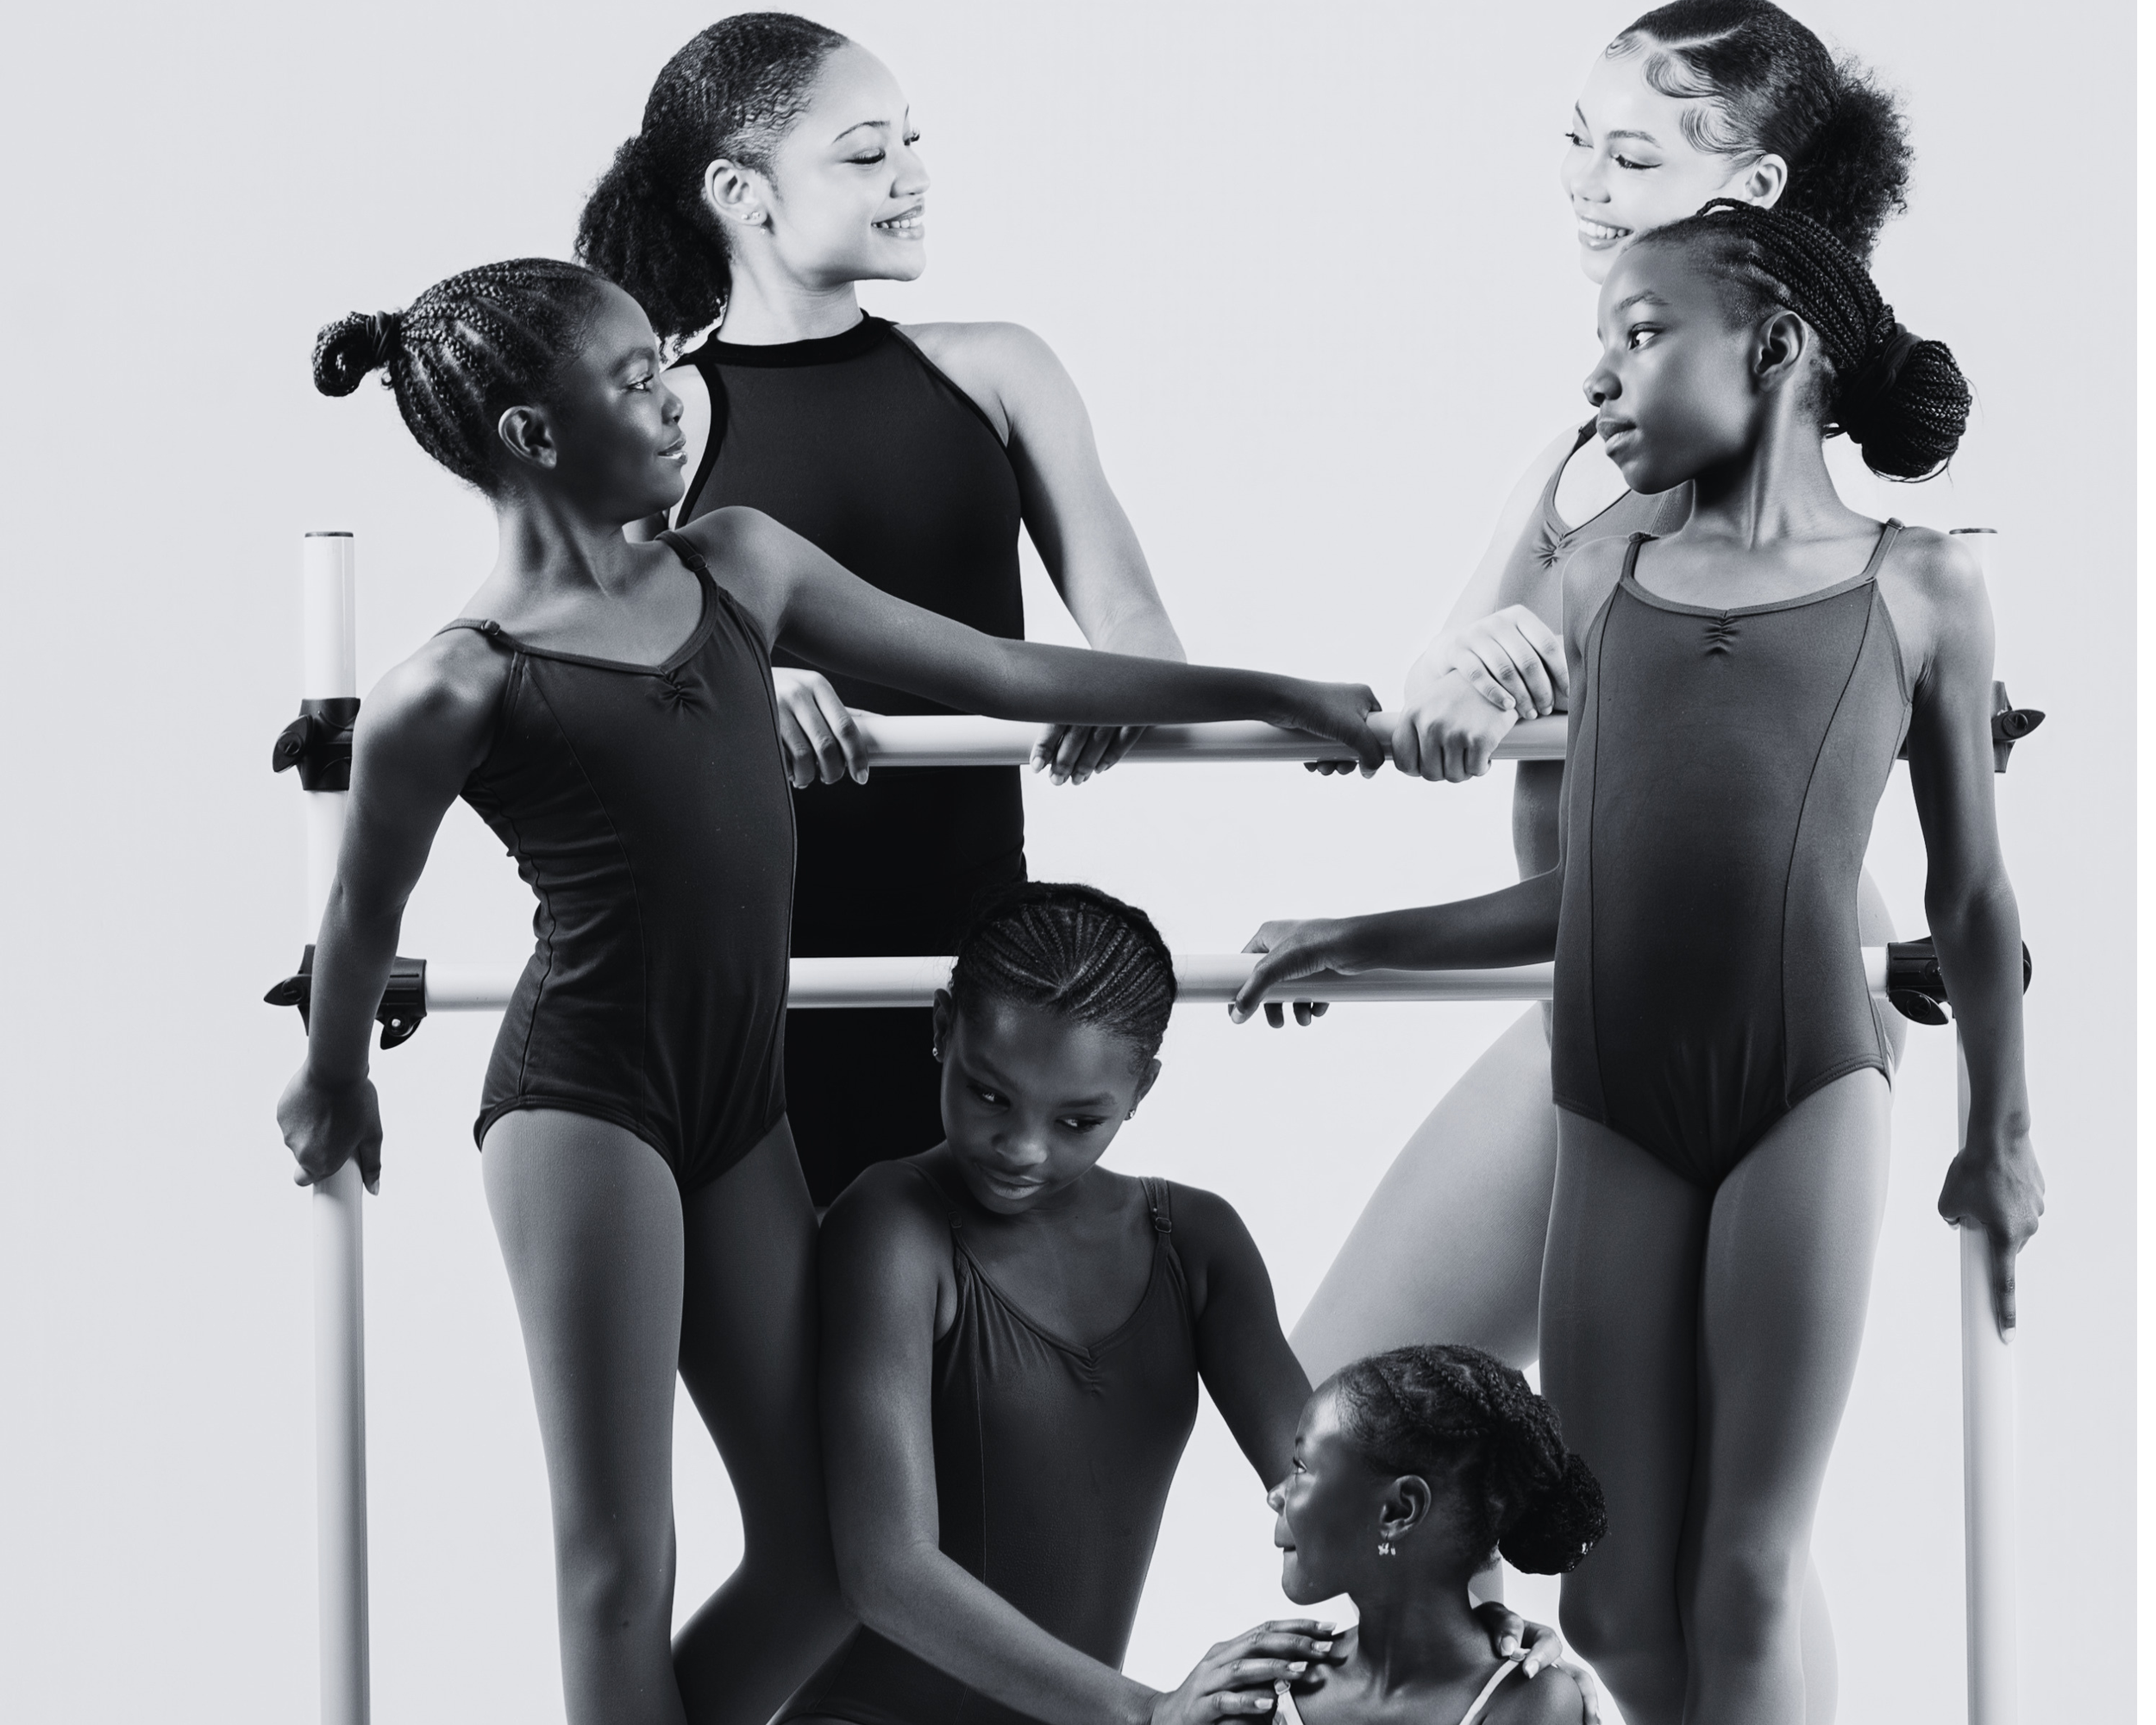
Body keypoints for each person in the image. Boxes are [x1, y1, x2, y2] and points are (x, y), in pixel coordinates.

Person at [276, 259, 1387, 1725]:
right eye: (629, 383)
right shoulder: (460, 682)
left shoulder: (739, 565)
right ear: (533, 438)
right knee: (624, 1552)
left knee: (825, 1547)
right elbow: (363, 905)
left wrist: (1269, 690)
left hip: (742, 1102)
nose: (675, 402)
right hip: (585, 1102)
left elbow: (997, 667)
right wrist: (337, 1073)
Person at [1231, 201, 2043, 1724]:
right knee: (1603, 1582)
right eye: (1596, 345)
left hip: (1806, 1088)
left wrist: (2001, 1141)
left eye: (1642, 334)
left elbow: (1979, 895)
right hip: (1611, 1104)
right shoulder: (1604, 579)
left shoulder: (1924, 583)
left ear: (1781, 349)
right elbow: (1588, 893)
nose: (1601, 378)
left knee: (1742, 1572)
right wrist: (1361, 937)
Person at [578, 14, 1189, 1208]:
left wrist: (1112, 685)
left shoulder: (999, 370)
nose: (913, 177)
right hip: (755, 958)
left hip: (977, 968)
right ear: (739, 191)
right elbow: (598, 666)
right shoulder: (672, 414)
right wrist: (741, 675)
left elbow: (1136, 626)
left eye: (911, 143)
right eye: (866, 154)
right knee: (793, 1364)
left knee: (969, 1347)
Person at [794, 884, 1559, 1725]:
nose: (1022, 1146)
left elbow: (1329, 1480)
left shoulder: (1193, 1241)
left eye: (1077, 1118)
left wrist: (1457, 1606)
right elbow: (886, 1568)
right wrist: (1144, 1708)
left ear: (1142, 1086)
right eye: (988, 1094)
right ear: (943, 1029)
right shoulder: (893, 1223)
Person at [1266, 1346, 1605, 1725]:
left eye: (1299, 1467)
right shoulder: (1262, 1689)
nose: (1274, 1495)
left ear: (1399, 1511)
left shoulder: (1532, 1703)